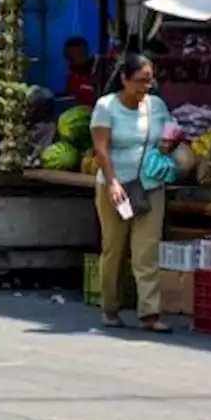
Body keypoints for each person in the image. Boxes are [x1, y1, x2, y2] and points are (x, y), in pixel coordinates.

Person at [89, 54, 172, 332]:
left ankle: (149, 313)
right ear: (124, 79)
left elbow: (169, 134)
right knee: (114, 247)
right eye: (140, 81)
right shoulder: (106, 106)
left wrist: (171, 144)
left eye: (149, 81)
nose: (145, 87)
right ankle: (110, 307)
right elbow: (101, 149)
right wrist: (112, 183)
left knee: (146, 250)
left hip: (150, 185)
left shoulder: (157, 106)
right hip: (116, 185)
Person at [64, 36, 98, 106]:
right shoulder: (72, 74)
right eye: (70, 56)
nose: (72, 59)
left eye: (79, 54)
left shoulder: (98, 71)